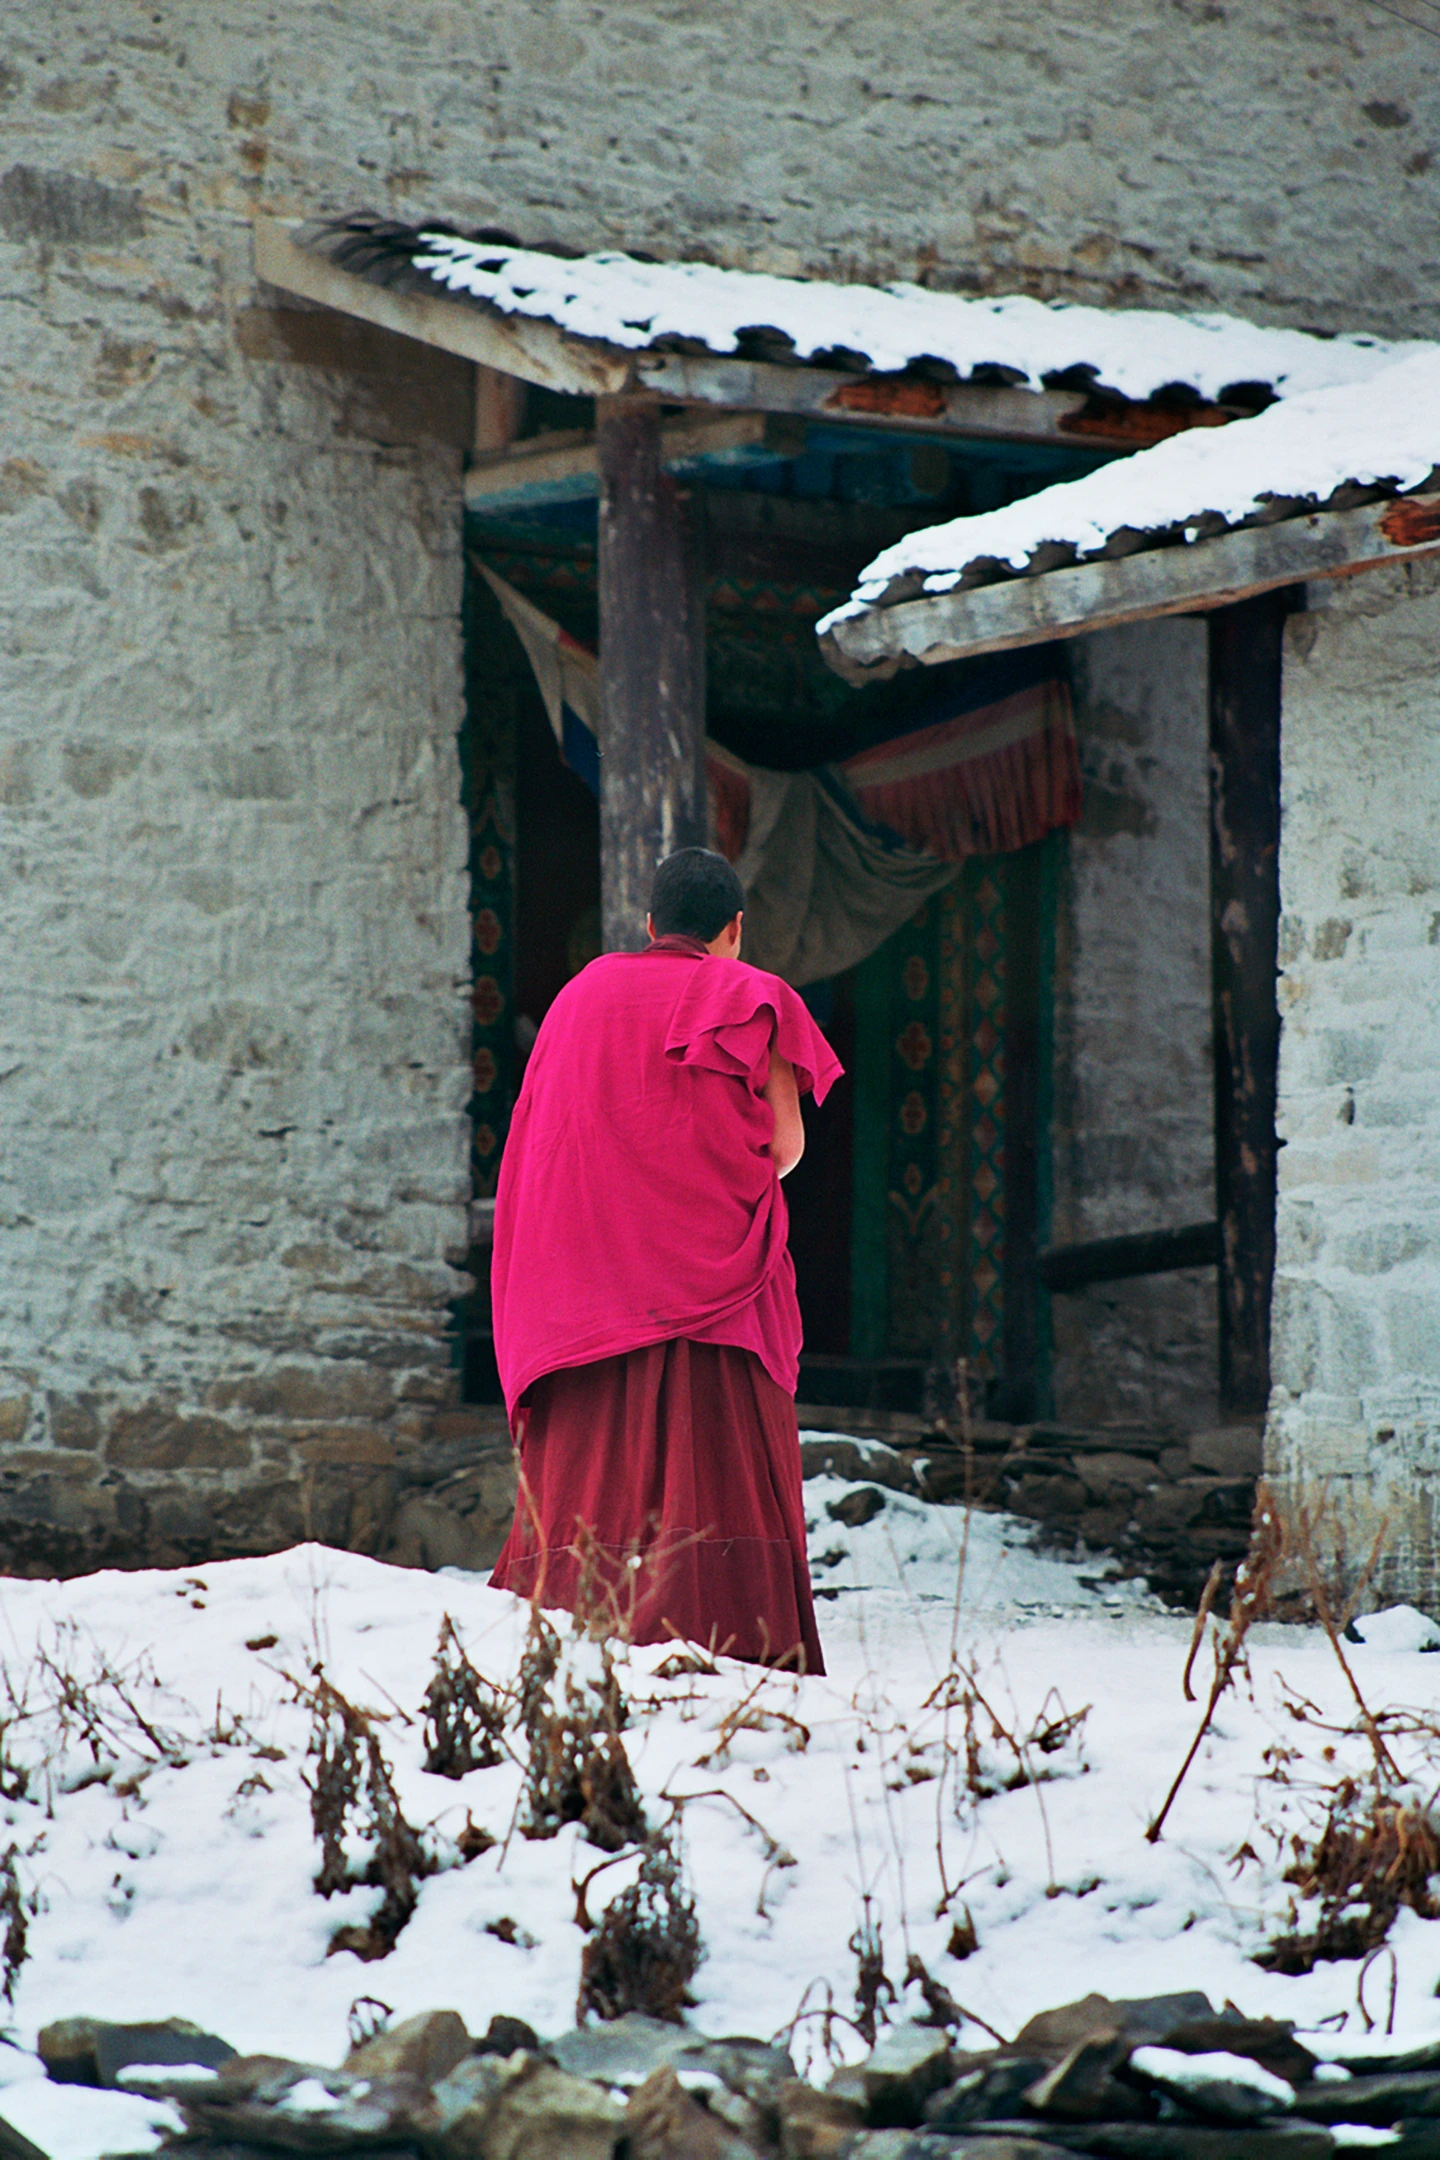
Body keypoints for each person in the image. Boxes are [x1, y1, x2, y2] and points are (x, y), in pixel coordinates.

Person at [488, 847, 842, 1671]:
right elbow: (784, 1148)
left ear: (649, 925)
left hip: (592, 1282)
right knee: (721, 1455)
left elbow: (545, 1143)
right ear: (735, 930)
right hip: (719, 1281)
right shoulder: (754, 998)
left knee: (587, 1469)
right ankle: (733, 1641)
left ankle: (573, 1629)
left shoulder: (579, 1000)